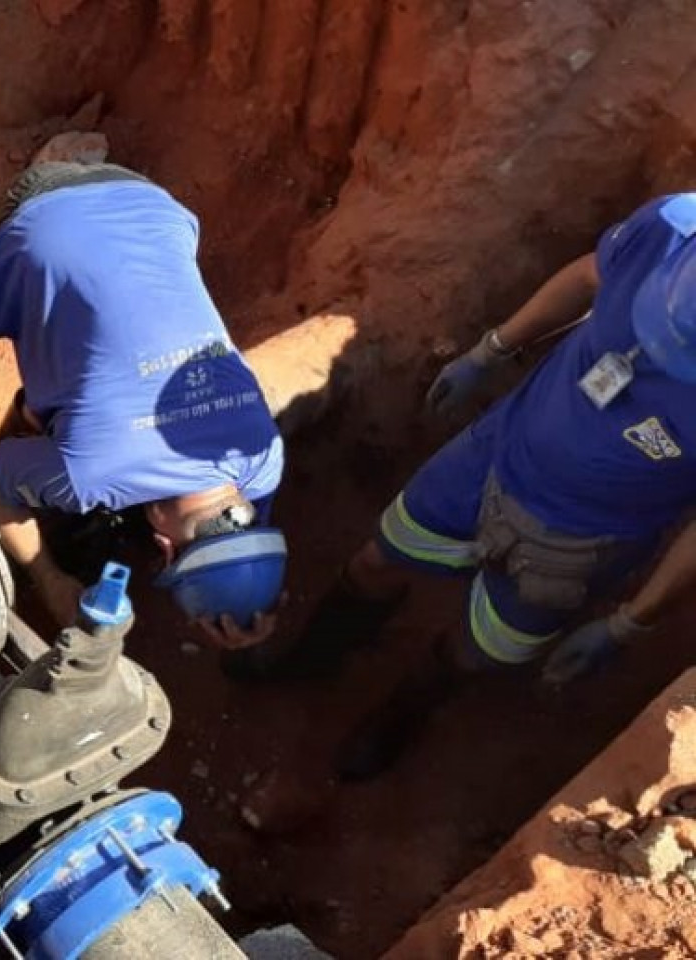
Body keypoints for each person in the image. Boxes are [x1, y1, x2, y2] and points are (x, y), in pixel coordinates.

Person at [238, 192, 696, 781]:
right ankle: (316, 655)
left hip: (580, 544)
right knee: (381, 557)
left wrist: (631, 622)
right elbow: (589, 276)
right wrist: (492, 349)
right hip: (494, 455)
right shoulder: (670, 229)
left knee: (477, 652)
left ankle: (401, 715)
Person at [0, 144, 287, 645]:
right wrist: (53, 585)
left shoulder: (266, 457)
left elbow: (243, 536)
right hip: (45, 218)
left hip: (157, 211)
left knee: (71, 400)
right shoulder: (91, 473)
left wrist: (245, 597)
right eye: (166, 556)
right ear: (164, 546)